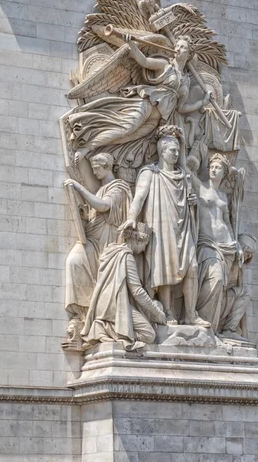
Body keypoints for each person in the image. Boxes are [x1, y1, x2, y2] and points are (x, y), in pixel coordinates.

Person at [67, 36, 211, 167]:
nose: (177, 49)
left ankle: (98, 147)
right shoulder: (165, 65)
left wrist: (202, 103)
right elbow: (144, 61)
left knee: (129, 137)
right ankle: (87, 147)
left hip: (159, 118)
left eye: (182, 47)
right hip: (148, 103)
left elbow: (181, 107)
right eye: (177, 46)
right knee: (126, 128)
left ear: (189, 54)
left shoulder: (185, 80)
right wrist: (131, 43)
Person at [120, 125, 210, 327]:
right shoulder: (150, 173)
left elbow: (191, 200)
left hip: (183, 226)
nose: (177, 154)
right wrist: (132, 217)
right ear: (162, 151)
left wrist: (193, 204)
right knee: (164, 269)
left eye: (178, 150)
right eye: (173, 150)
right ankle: (168, 311)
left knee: (192, 267)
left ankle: (190, 314)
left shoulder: (184, 176)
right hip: (160, 227)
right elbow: (139, 197)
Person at [63, 153, 132, 343]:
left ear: (107, 166)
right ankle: (84, 315)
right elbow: (96, 210)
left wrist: (79, 187)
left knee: (76, 262)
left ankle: (94, 318)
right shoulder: (102, 188)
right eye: (92, 168)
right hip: (95, 236)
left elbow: (103, 206)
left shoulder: (118, 187)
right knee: (74, 261)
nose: (94, 172)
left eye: (96, 168)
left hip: (107, 241)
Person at [81, 223, 167, 350]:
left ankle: (104, 327)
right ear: (138, 241)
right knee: (149, 335)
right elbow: (137, 291)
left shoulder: (112, 250)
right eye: (145, 245)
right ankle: (116, 333)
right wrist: (157, 312)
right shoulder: (127, 256)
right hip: (114, 305)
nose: (144, 250)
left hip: (103, 304)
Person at [187, 153, 242, 331]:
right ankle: (199, 318)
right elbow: (185, 169)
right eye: (211, 166)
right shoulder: (201, 187)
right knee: (215, 279)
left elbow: (227, 222)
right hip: (207, 243)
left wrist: (237, 244)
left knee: (221, 287)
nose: (213, 169)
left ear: (224, 173)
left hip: (227, 247)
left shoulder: (224, 196)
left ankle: (211, 327)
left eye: (218, 167)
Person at [218, 232, 256, 341]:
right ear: (242, 248)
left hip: (224, 298)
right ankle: (228, 329)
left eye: (251, 255)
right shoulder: (230, 258)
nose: (248, 256)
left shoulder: (239, 266)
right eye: (248, 252)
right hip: (217, 298)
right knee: (245, 292)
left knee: (246, 291)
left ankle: (229, 329)